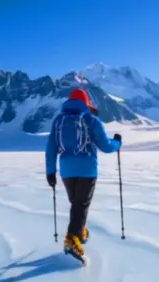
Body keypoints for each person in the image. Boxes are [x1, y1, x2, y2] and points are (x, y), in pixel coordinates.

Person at [45, 88, 121, 260]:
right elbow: (106, 146)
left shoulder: (58, 121)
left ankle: (80, 232)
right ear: (86, 103)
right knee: (81, 205)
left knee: (76, 204)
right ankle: (72, 239)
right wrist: (117, 143)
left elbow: (51, 149)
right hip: (87, 171)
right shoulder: (91, 120)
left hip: (66, 172)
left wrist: (50, 172)